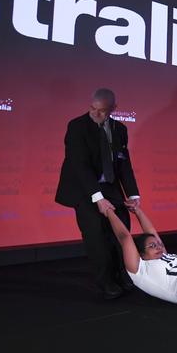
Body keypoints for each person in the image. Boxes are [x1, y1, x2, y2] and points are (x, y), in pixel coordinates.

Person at [55, 88, 140, 300]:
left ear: (113, 109)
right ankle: (105, 281)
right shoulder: (77, 127)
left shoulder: (120, 129)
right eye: (93, 108)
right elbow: (80, 165)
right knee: (96, 235)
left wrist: (133, 194)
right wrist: (98, 197)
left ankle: (123, 274)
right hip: (85, 189)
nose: (96, 114)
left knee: (122, 232)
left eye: (102, 111)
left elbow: (123, 164)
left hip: (110, 187)